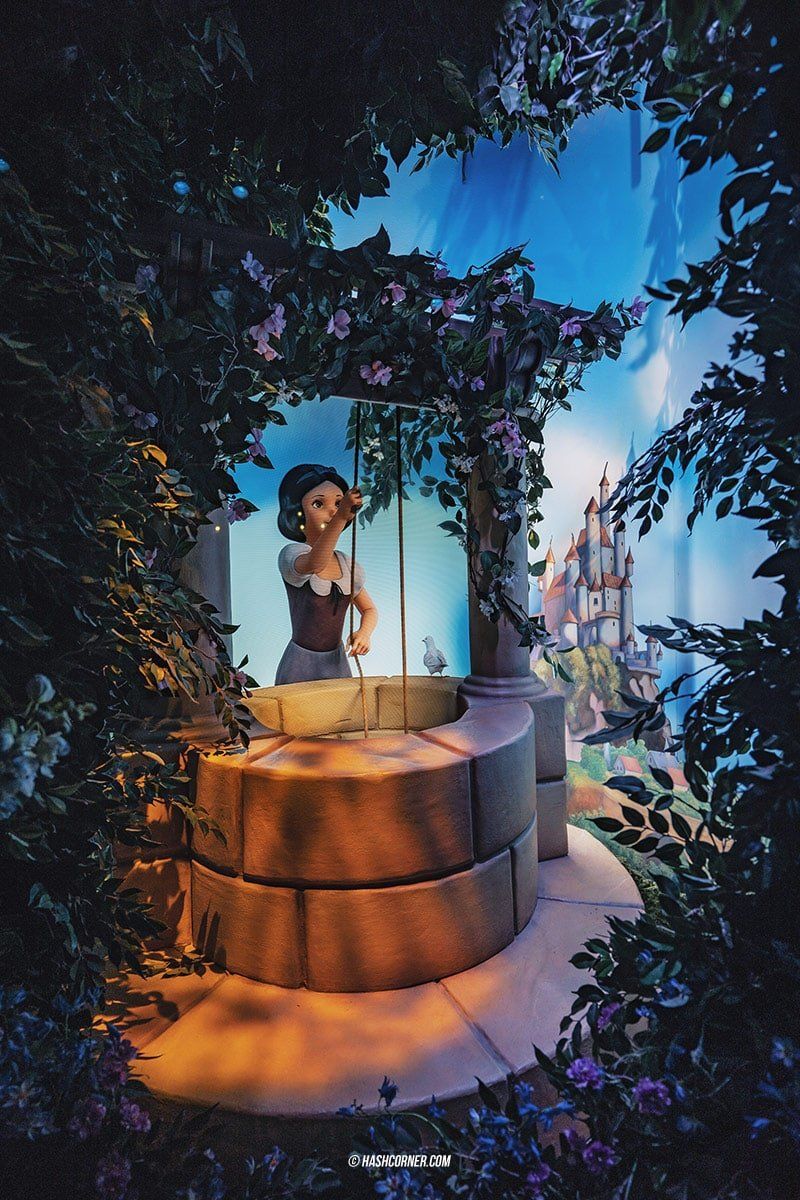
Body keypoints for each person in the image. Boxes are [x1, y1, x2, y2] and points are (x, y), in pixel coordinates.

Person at [274, 463, 378, 685]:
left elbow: (369, 609)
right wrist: (340, 517)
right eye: (318, 504)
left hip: (337, 664)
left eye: (338, 504)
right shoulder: (293, 555)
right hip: (300, 665)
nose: (333, 512)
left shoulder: (346, 564)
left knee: (341, 708)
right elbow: (315, 563)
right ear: (297, 511)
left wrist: (364, 633)